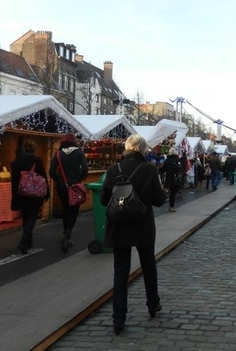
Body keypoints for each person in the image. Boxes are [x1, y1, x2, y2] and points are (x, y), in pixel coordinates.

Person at [100, 134, 166, 335]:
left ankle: (118, 319)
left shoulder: (113, 170)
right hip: (142, 225)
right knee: (148, 265)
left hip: (118, 226)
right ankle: (152, 303)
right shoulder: (149, 170)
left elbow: (104, 200)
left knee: (120, 272)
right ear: (143, 150)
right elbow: (159, 200)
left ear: (127, 148)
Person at [49, 133, 89, 253]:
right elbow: (85, 169)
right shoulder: (79, 152)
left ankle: (66, 234)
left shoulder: (58, 154)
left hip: (62, 186)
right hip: (75, 185)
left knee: (65, 209)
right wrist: (78, 179)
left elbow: (51, 171)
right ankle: (67, 234)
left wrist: (59, 180)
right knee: (74, 210)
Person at [10, 140, 49, 254]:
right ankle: (24, 240)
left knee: (26, 217)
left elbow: (15, 176)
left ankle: (28, 241)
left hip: (21, 193)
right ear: (34, 149)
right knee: (32, 217)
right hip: (34, 193)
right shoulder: (36, 161)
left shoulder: (18, 161)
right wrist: (47, 193)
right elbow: (43, 177)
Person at [162, 148, 181, 212]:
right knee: (173, 192)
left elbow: (163, 168)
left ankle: (166, 201)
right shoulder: (176, 159)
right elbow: (178, 169)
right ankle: (171, 206)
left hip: (168, 178)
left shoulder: (166, 160)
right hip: (174, 178)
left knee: (168, 190)